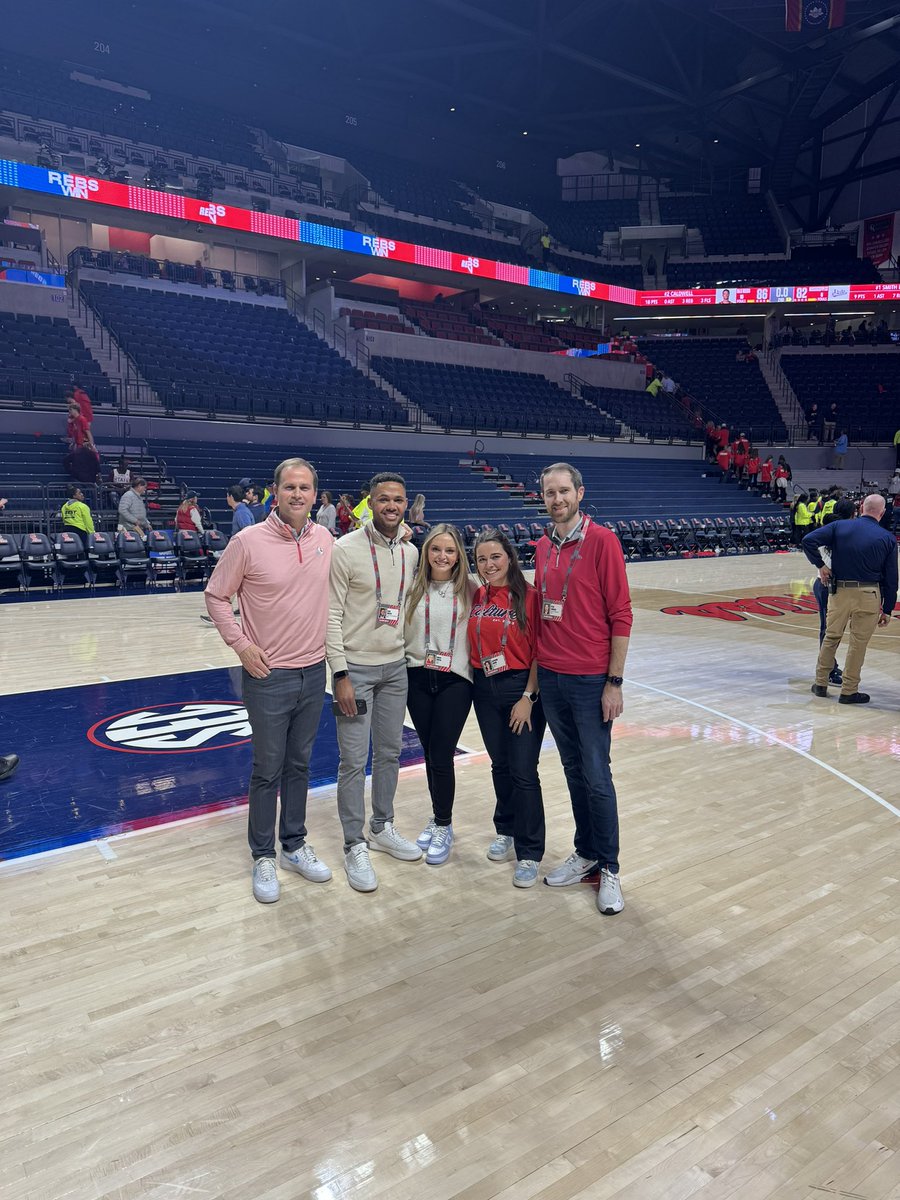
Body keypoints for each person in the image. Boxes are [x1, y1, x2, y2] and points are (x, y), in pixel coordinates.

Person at [205, 457, 333, 903]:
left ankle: (294, 844)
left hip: (314, 672)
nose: (298, 494)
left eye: (305, 488)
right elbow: (216, 596)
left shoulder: (325, 539)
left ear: (315, 495)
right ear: (273, 492)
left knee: (300, 764)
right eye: (290, 487)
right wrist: (241, 645)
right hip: (267, 675)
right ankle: (263, 855)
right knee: (268, 768)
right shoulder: (247, 542)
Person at [535, 463, 633, 915]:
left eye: (564, 492)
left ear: (580, 493)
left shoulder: (603, 541)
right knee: (574, 771)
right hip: (553, 678)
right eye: (550, 493)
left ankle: (610, 867)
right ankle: (586, 852)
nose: (557, 500)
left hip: (591, 681)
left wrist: (613, 682)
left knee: (597, 775)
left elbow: (621, 615)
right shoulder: (540, 547)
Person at [327, 472, 422, 892]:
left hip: (395, 668)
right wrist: (340, 674)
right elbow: (329, 616)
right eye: (383, 499)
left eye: (398, 500)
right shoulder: (344, 550)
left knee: (388, 753)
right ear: (370, 502)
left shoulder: (411, 552)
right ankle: (353, 843)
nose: (391, 506)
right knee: (352, 760)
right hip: (357, 671)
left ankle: (382, 826)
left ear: (406, 505)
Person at [467, 527, 545, 888]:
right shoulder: (478, 594)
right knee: (500, 764)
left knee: (523, 771)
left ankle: (530, 852)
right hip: (485, 688)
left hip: (520, 690)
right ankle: (507, 829)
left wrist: (528, 698)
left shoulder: (529, 597)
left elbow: (540, 653)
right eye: (482, 559)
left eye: (495, 556)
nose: (488, 564)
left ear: (510, 557)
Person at [404, 524, 475, 866]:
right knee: (429, 752)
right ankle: (437, 816)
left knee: (442, 753)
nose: (442, 556)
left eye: (449, 550)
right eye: (436, 549)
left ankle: (444, 824)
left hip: (455, 681)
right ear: (426, 551)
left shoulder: (471, 589)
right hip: (417, 677)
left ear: (458, 554)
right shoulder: (413, 587)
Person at [804, 494, 898, 704]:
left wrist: (820, 565)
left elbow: (808, 540)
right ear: (882, 514)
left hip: (840, 592)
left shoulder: (839, 527)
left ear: (861, 507)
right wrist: (888, 608)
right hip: (869, 594)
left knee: (831, 636)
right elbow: (892, 578)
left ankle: (820, 683)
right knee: (858, 644)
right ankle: (849, 691)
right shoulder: (887, 538)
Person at [811, 498, 856, 688]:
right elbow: (808, 542)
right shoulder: (839, 532)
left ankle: (828, 667)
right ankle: (827, 669)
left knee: (831, 630)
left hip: (828, 584)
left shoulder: (833, 529)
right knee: (830, 631)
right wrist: (821, 565)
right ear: (853, 515)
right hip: (828, 584)